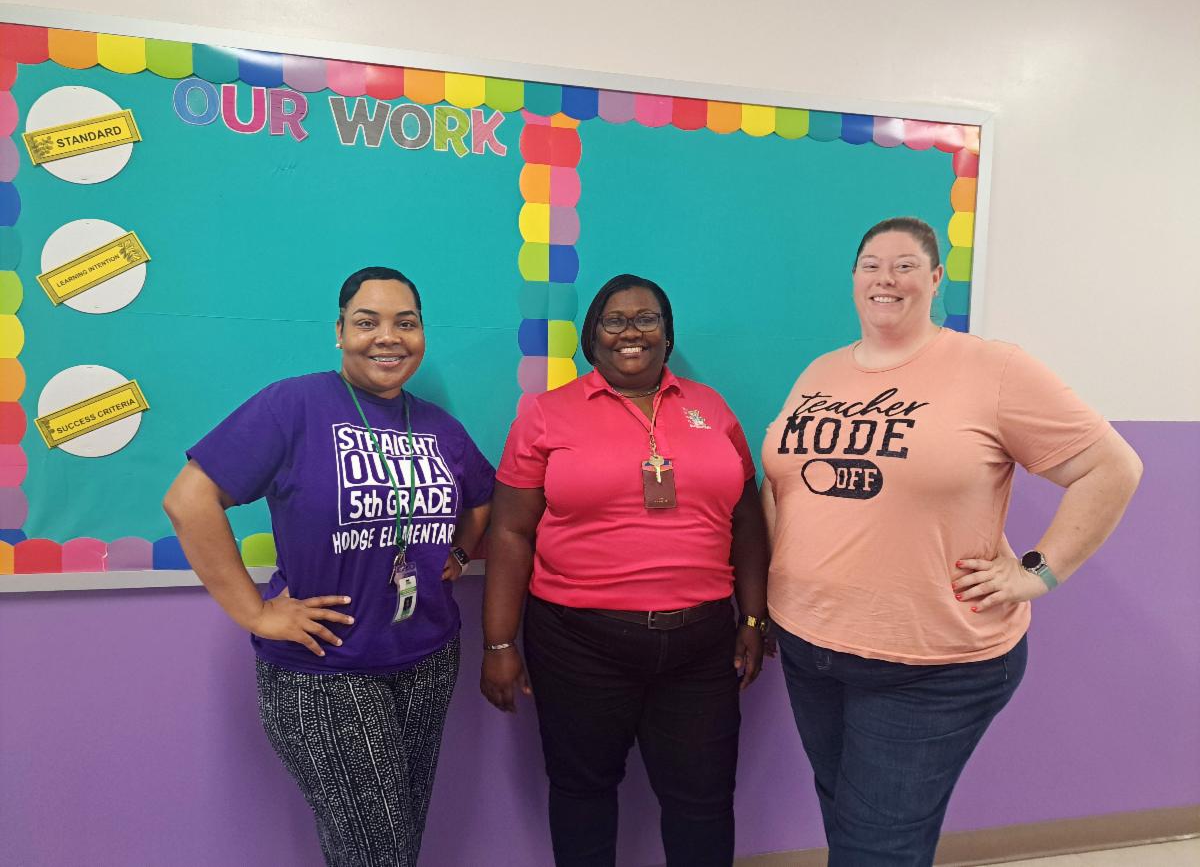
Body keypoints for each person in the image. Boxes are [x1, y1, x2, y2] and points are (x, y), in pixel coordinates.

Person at [761, 217, 1143, 866]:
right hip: (810, 647)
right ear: (854, 279)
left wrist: (1036, 573)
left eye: (906, 264)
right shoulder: (820, 373)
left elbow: (1111, 467)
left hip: (930, 664)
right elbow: (782, 482)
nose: (887, 278)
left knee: (874, 848)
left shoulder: (990, 368)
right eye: (872, 264)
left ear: (936, 279)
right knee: (853, 820)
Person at [163, 267, 494, 867]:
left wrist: (463, 551)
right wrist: (256, 612)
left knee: (399, 839)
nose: (387, 337)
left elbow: (483, 499)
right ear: (339, 333)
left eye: (406, 323)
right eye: (367, 322)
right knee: (376, 853)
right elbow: (189, 499)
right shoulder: (295, 404)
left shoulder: (440, 427)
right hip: (326, 669)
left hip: (428, 659)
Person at [480, 274, 770, 867]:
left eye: (648, 318)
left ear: (668, 335)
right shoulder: (546, 414)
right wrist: (500, 641)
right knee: (583, 792)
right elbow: (510, 532)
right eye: (614, 320)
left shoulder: (710, 407)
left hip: (701, 644)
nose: (631, 331)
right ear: (592, 338)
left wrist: (755, 617)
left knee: (704, 800)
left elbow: (746, 518)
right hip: (578, 644)